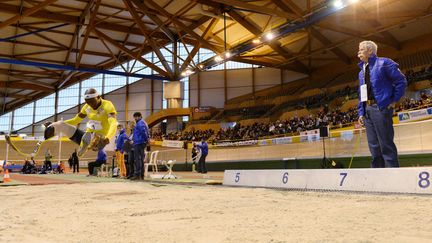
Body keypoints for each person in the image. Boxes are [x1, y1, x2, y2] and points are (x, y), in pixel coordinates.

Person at [357, 40, 407, 168]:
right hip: (367, 110)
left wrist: (394, 100)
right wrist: (361, 112)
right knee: (373, 147)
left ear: (370, 51)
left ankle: (393, 176)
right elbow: (361, 94)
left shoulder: (384, 63)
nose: (358, 52)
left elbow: (401, 81)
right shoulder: (361, 72)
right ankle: (378, 176)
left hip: (380, 109)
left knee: (385, 144)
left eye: (361, 49)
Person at [32, 88, 118, 158]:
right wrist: (54, 123)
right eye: (88, 102)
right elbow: (75, 120)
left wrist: (108, 137)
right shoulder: (86, 107)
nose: (91, 105)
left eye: (92, 101)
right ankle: (84, 144)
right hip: (88, 134)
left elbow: (113, 123)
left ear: (98, 97)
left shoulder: (108, 105)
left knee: (93, 137)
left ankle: (91, 143)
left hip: (102, 138)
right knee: (60, 124)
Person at [130, 112, 149, 180]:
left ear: (140, 116)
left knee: (137, 159)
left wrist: (146, 140)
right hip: (140, 142)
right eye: (135, 117)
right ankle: (141, 175)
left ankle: (137, 175)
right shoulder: (143, 123)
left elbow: (143, 132)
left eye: (137, 117)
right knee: (140, 159)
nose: (135, 118)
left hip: (139, 143)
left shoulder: (140, 123)